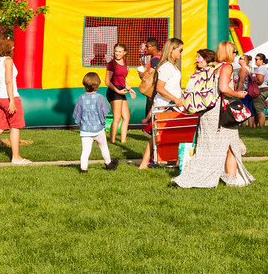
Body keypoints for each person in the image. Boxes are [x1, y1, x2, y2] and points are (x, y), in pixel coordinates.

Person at [171, 42, 254, 188]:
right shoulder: (226, 67)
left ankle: (221, 179)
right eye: (234, 52)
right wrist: (237, 94)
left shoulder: (211, 67)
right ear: (229, 52)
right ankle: (230, 181)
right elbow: (223, 88)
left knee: (208, 147)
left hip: (207, 110)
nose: (236, 55)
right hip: (221, 112)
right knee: (230, 146)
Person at [138, 38, 185, 169]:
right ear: (172, 50)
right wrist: (175, 99)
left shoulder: (173, 66)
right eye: (180, 50)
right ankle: (144, 163)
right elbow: (160, 88)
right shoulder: (166, 67)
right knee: (156, 135)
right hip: (166, 106)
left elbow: (171, 86)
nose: (181, 53)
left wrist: (182, 92)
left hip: (172, 104)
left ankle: (173, 160)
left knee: (171, 134)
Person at [73, 72, 118, 172]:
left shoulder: (81, 98)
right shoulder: (100, 97)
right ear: (97, 84)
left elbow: (77, 114)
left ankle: (83, 168)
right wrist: (103, 123)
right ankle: (108, 164)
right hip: (98, 129)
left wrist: (81, 125)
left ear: (84, 85)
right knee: (104, 147)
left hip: (85, 131)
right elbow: (104, 112)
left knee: (85, 151)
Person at [105, 42, 136, 144]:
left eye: (120, 52)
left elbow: (122, 80)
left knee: (126, 117)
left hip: (122, 90)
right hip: (114, 91)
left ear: (124, 53)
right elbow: (107, 82)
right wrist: (118, 91)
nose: (117, 53)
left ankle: (123, 141)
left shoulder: (124, 63)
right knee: (117, 117)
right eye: (116, 51)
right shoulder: (111, 64)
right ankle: (112, 141)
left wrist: (130, 89)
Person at [248, 52, 268, 127]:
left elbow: (260, 81)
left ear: (261, 60)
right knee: (256, 109)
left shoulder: (261, 68)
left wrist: (252, 81)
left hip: (261, 90)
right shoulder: (262, 68)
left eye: (257, 59)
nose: (255, 61)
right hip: (263, 90)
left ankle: (262, 126)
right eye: (255, 59)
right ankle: (255, 125)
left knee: (259, 110)